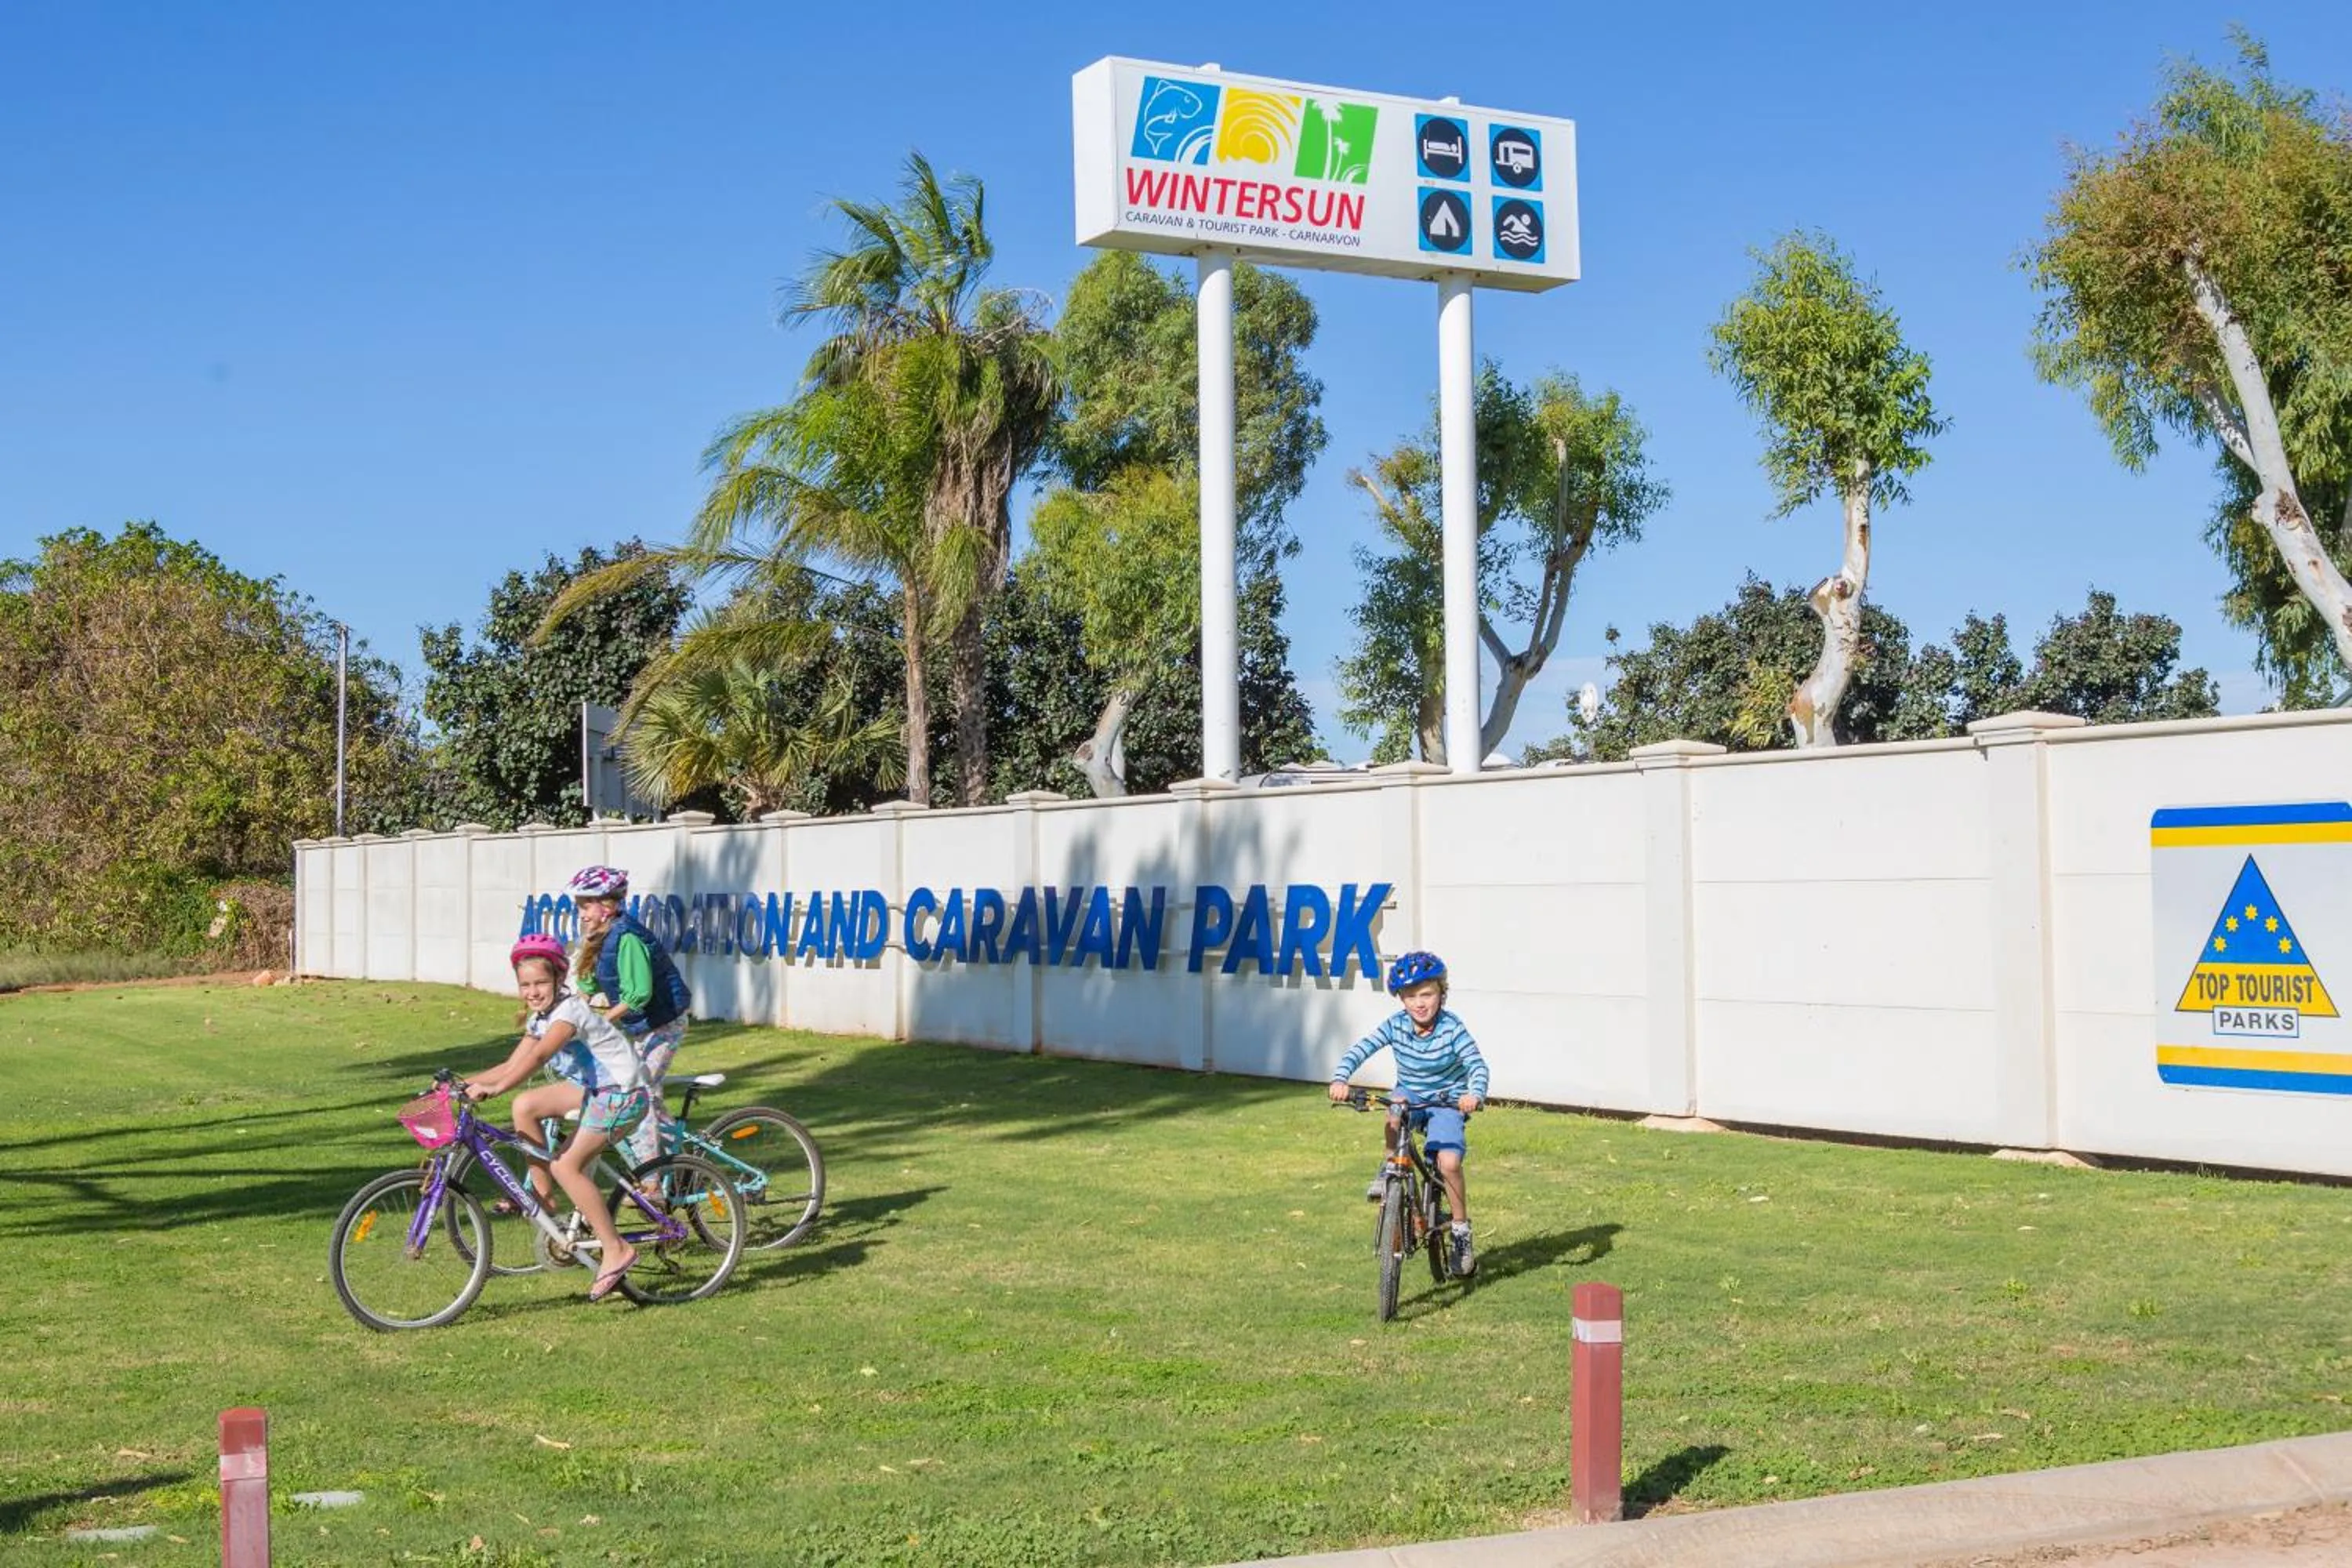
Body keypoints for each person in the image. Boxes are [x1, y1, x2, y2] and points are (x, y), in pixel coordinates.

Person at [463, 932, 649, 1301]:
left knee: (567, 1166)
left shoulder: (567, 1014)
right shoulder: (541, 1017)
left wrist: (496, 1089)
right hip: (594, 1090)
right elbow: (512, 1063)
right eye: (525, 985)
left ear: (559, 980)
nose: (533, 991)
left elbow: (538, 1058)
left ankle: (616, 1249)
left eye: (541, 983)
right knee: (525, 1106)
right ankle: (545, 1200)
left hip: (622, 1094)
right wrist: (462, 1082)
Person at [1327, 949, 1490, 1276]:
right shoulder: (1396, 1025)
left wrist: (1474, 1094)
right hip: (1411, 1094)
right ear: (1401, 999)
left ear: (1441, 993)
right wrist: (1341, 1077)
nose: (1419, 1003)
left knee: (1449, 1163)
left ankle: (1460, 1232)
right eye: (1411, 996)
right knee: (1393, 1110)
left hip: (1447, 1100)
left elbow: (1476, 1064)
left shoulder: (1452, 1028)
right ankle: (1390, 1170)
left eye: (1427, 994)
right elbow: (1363, 1047)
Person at [564, 866, 692, 1171]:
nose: (581, 914)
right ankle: (683, 1162)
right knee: (627, 1089)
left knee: (641, 1093)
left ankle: (650, 1180)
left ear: (608, 906)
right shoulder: (600, 937)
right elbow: (587, 986)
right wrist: (565, 1020)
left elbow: (638, 994)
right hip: (642, 1027)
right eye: (579, 906)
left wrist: (600, 1021)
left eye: (586, 906)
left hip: (665, 1024)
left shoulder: (627, 937)